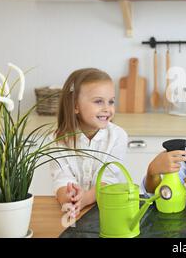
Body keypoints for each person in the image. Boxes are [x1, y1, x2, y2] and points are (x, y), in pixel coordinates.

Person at [49, 68, 128, 216]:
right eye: (98, 101)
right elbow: (61, 179)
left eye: (111, 101)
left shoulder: (118, 136)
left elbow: (108, 180)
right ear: (75, 106)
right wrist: (69, 199)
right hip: (75, 213)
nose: (107, 108)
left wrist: (85, 199)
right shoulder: (57, 139)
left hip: (110, 211)